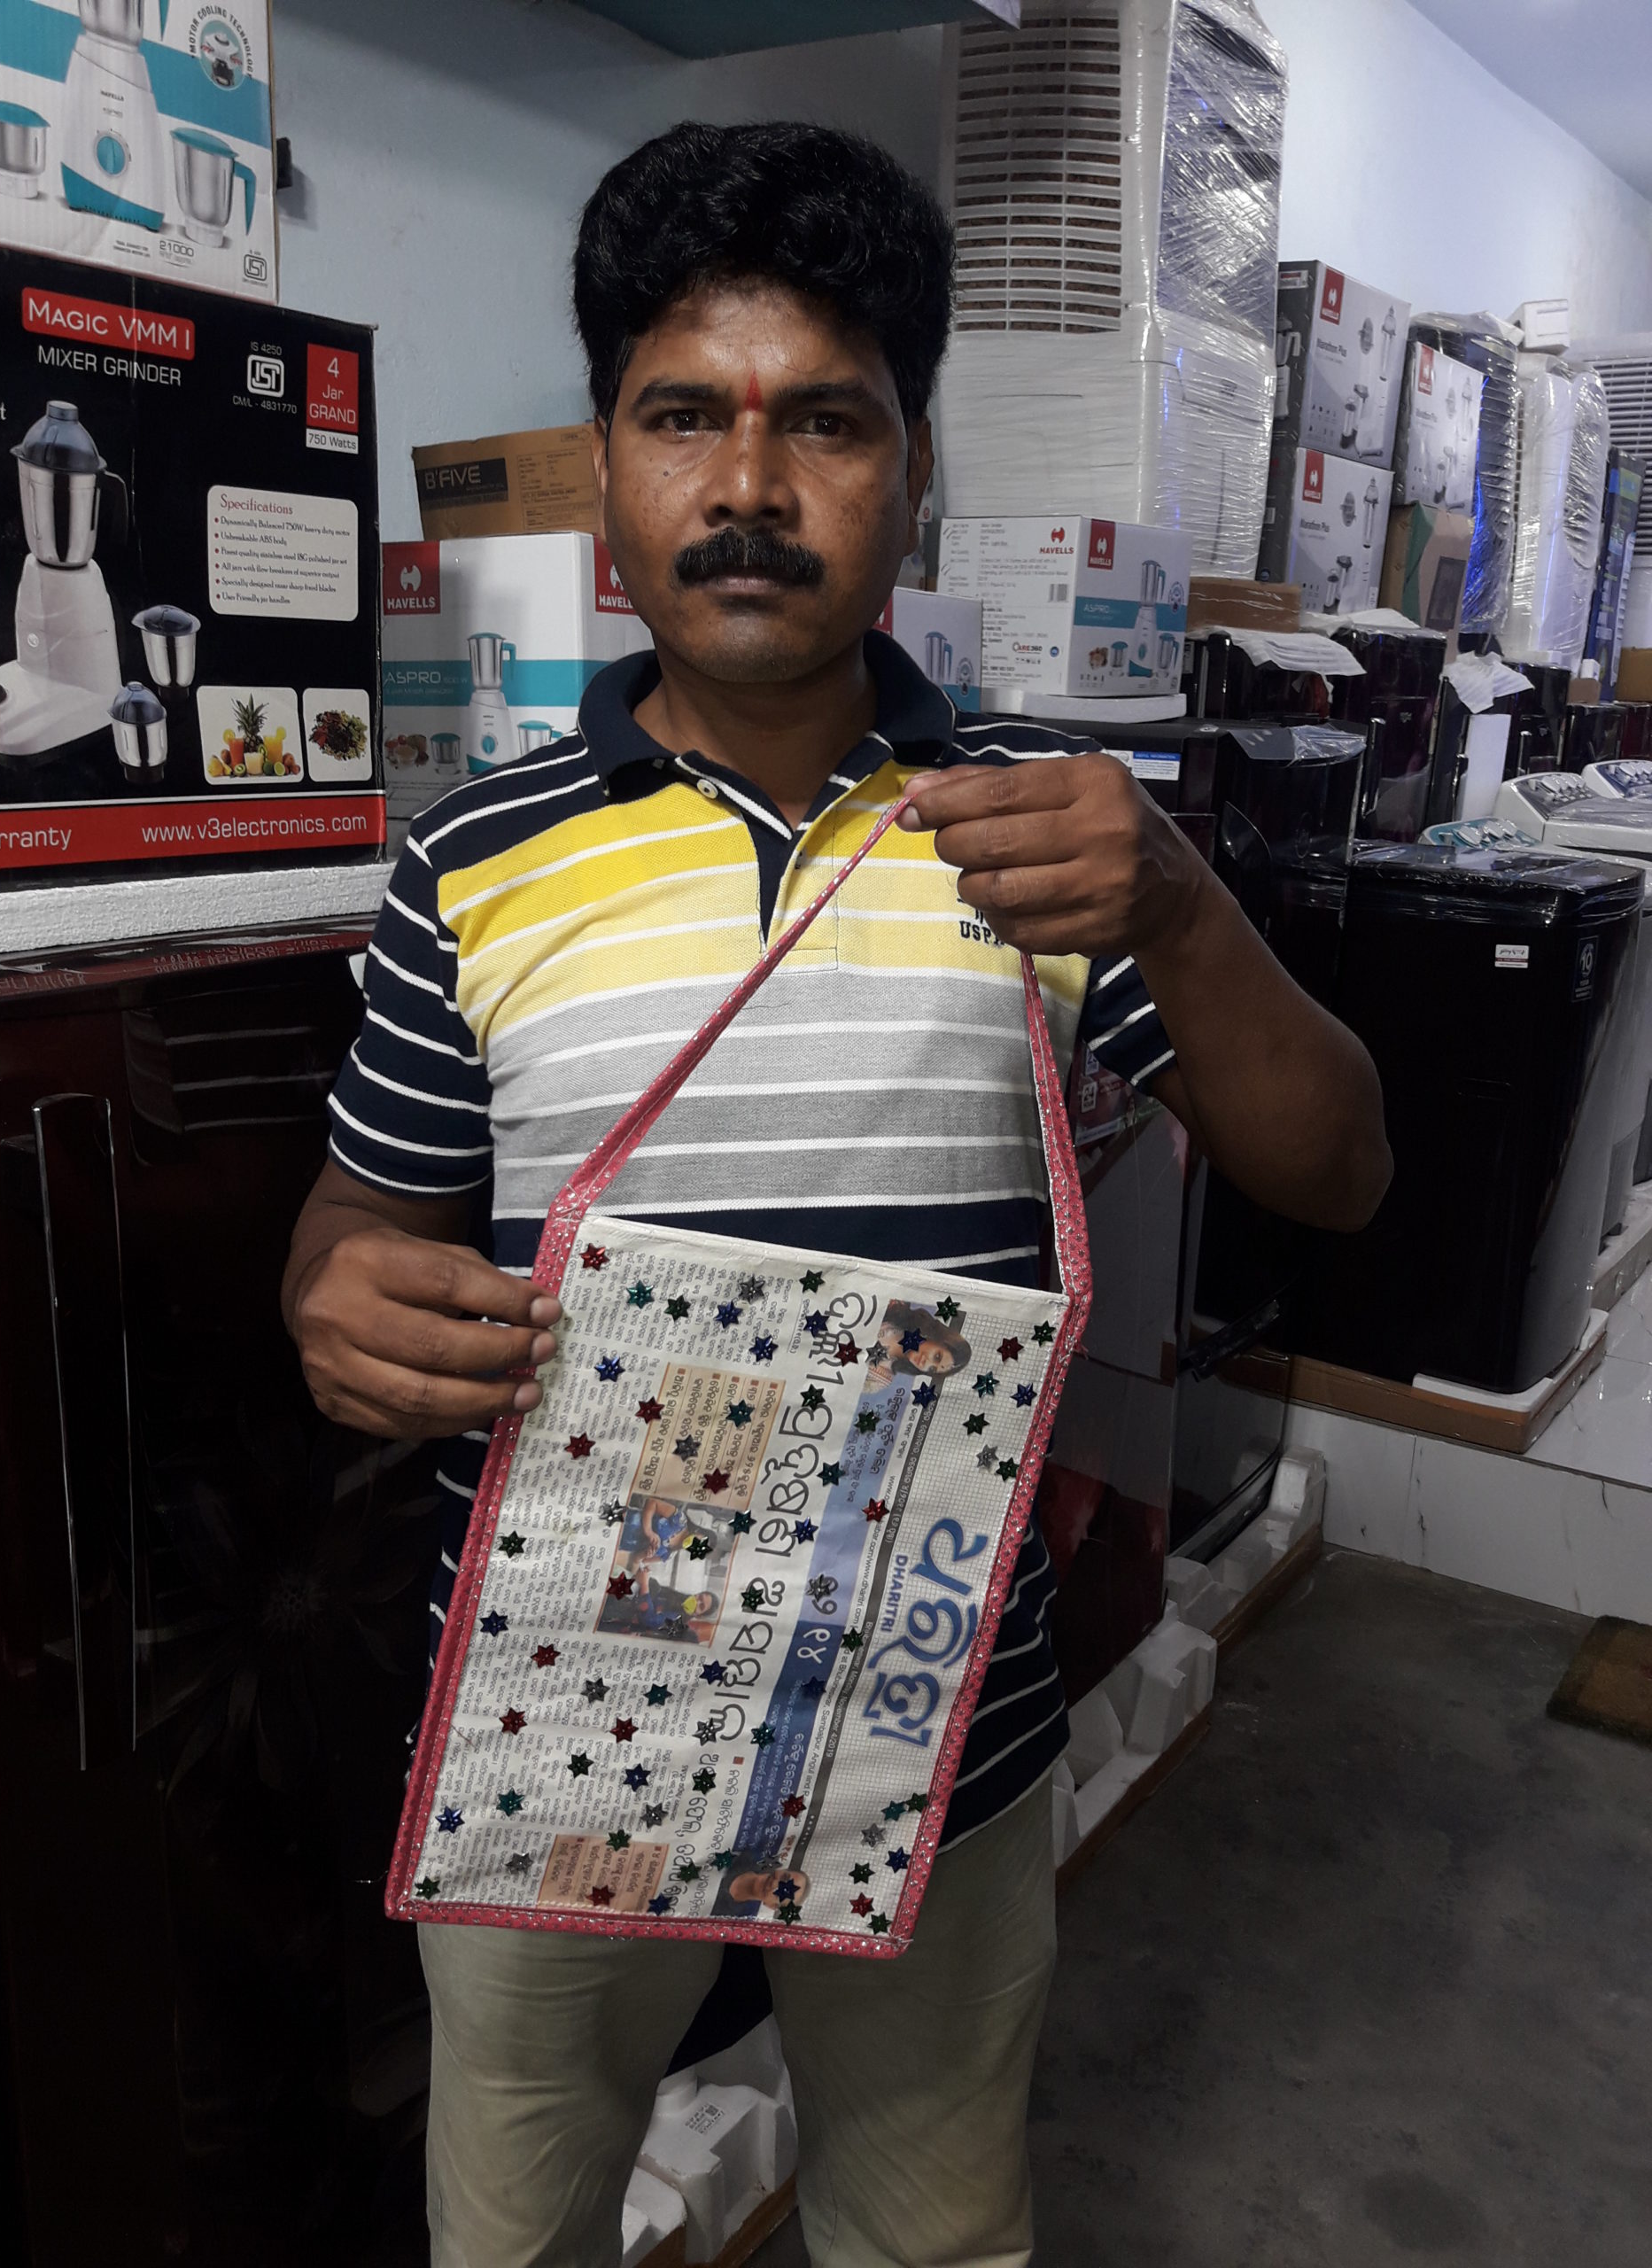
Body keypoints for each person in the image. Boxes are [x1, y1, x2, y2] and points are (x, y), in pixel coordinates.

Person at [283, 120, 1390, 2268]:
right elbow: (359, 1223)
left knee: (929, 2227)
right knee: (514, 2230)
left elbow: (1339, 1166)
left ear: (914, 467)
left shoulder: (1050, 845)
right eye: (682, 414)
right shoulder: (472, 861)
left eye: (827, 420)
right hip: (557, 1715)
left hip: (935, 1713)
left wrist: (1179, 901)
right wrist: (333, 1301)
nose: (750, 485)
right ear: (606, 460)